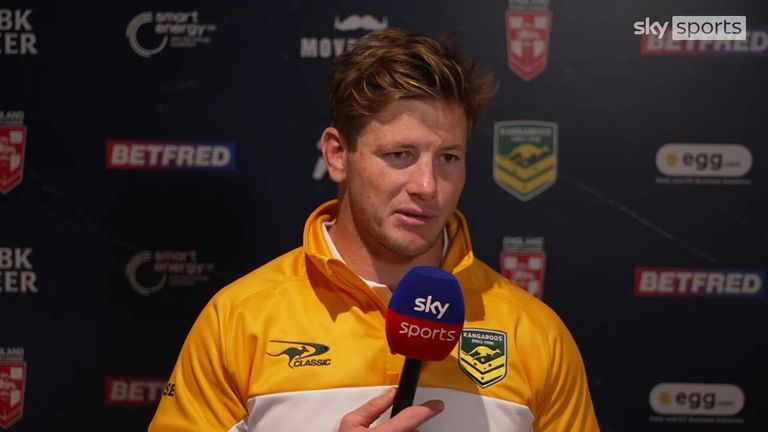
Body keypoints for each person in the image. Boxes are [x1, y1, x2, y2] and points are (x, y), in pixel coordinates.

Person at [149, 28, 599, 431]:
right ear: (337, 155)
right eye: (400, 155)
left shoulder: (534, 332)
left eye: (448, 158)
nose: (427, 186)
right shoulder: (239, 319)